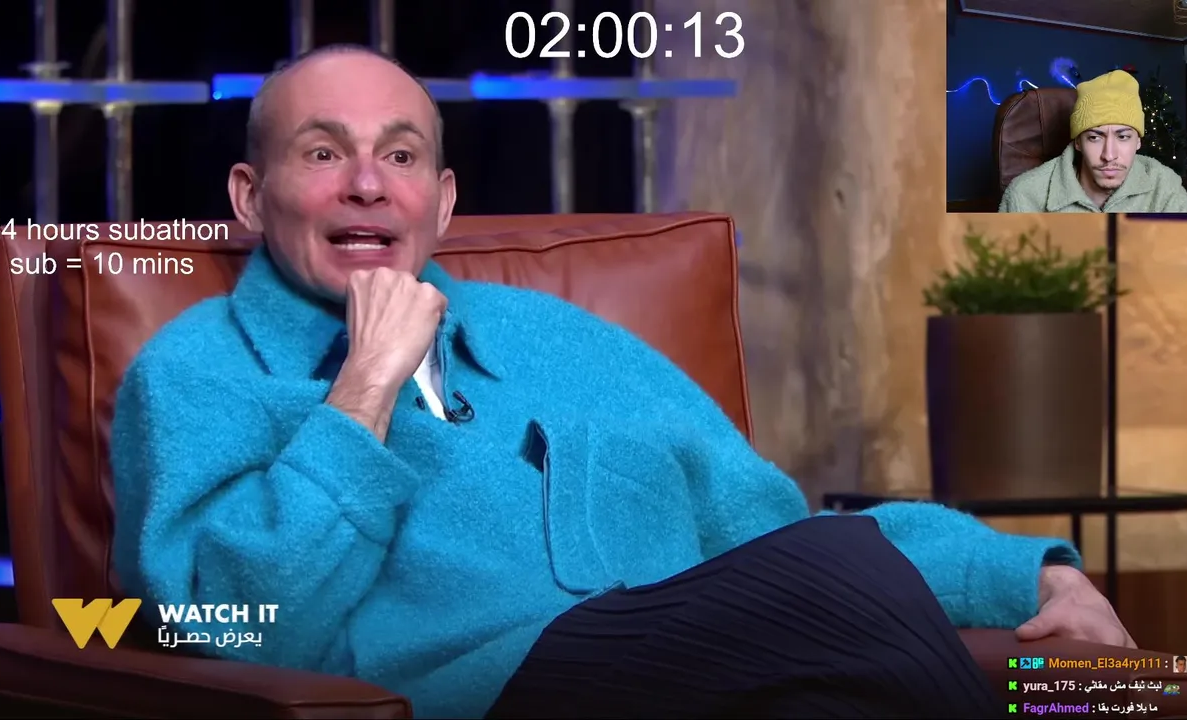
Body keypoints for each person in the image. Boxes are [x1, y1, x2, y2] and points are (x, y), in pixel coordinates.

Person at [110, 44, 1134, 719]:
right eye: (323, 152)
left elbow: (770, 533)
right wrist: (363, 390)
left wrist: (1028, 576)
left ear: (443, 202)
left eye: (402, 155)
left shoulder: (564, 340)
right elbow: (230, 631)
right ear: (252, 197)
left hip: (691, 670)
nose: (368, 183)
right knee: (838, 578)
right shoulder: (194, 373)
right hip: (485, 692)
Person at [998, 69, 1187, 213]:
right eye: (1094, 137)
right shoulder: (1024, 196)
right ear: (1078, 142)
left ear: (1138, 141)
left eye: (1123, 137)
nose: (1109, 155)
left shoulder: (1163, 185)